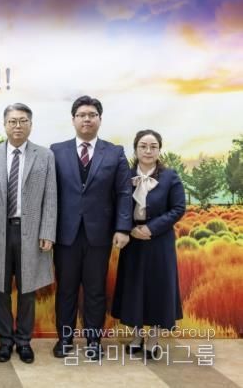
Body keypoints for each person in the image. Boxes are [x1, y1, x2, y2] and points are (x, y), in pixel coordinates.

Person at [50, 95, 132, 360]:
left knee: (96, 290)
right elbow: (49, 194)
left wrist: (123, 228)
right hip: (65, 234)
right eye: (82, 115)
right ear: (73, 119)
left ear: (100, 119)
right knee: (66, 289)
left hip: (100, 234)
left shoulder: (115, 152)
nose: (87, 119)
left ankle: (94, 341)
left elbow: (124, 192)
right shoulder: (56, 151)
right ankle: (64, 339)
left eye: (92, 115)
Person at [0, 103, 57, 364]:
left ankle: (24, 341)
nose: (17, 126)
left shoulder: (45, 155)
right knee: (0, 289)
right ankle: (4, 342)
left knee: (27, 290)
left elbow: (51, 197)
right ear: (4, 125)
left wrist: (47, 231)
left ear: (30, 125)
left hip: (31, 233)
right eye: (12, 121)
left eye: (23, 121)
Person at [112, 130, 186, 358]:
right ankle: (136, 336)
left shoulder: (170, 176)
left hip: (159, 242)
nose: (148, 151)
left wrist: (151, 228)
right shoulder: (125, 175)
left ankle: (153, 339)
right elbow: (116, 204)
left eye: (153, 146)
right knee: (134, 288)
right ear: (135, 149)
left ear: (159, 150)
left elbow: (178, 208)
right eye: (143, 146)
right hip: (132, 241)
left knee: (157, 288)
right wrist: (129, 228)